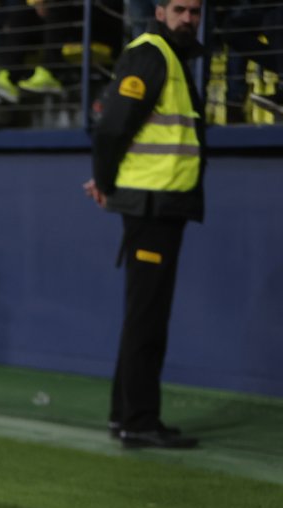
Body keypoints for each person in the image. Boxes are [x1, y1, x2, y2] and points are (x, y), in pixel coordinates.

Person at [82, 0, 204, 450]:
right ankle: (137, 419)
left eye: (195, 10)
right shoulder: (152, 53)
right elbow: (112, 127)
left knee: (145, 317)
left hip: (163, 206)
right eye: (180, 9)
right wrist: (107, 183)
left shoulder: (169, 56)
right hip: (151, 206)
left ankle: (128, 416)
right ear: (159, 10)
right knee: (146, 319)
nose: (188, 17)